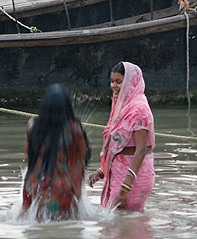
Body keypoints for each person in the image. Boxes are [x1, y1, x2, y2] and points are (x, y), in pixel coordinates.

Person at [88, 62, 155, 212]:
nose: (114, 86)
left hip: (133, 176)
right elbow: (118, 146)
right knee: (120, 224)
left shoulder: (139, 109)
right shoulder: (121, 106)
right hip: (120, 173)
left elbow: (141, 149)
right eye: (112, 81)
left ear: (131, 82)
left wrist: (126, 185)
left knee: (124, 223)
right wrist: (102, 172)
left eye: (119, 82)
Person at [22, 84, 90, 221]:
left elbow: (29, 159)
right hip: (62, 189)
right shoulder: (74, 130)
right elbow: (81, 160)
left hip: (33, 185)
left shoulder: (33, 126)